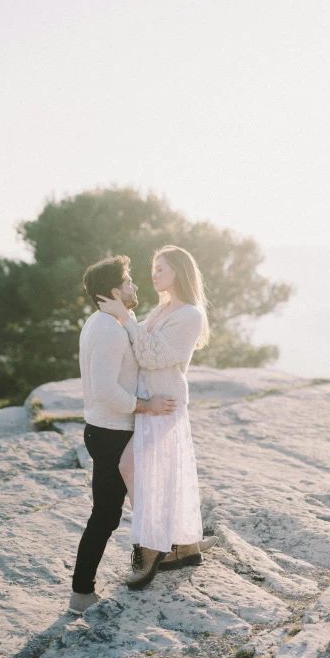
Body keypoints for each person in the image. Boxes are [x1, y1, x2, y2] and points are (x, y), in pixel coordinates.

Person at [98, 244, 213, 590]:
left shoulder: (190, 314)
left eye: (161, 268)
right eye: (153, 268)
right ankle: (183, 545)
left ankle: (152, 546)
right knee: (152, 472)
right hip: (151, 403)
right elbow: (138, 347)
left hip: (165, 404)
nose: (154, 275)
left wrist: (126, 317)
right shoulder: (163, 308)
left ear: (178, 271)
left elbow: (153, 355)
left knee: (131, 467)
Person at [69, 256, 177, 614]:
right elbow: (104, 390)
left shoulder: (102, 323)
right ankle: (81, 593)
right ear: (115, 290)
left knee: (120, 506)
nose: (135, 287)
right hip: (110, 433)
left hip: (107, 431)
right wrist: (147, 406)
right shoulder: (109, 330)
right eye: (129, 282)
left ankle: (174, 546)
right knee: (105, 515)